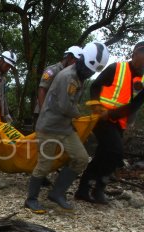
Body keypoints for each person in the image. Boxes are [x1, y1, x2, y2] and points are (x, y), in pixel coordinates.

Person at [24, 42, 109, 214]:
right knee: (44, 164)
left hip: (65, 127)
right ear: (81, 60)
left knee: (81, 158)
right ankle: (31, 199)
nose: (89, 73)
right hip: (48, 127)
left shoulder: (79, 77)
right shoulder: (67, 77)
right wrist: (84, 114)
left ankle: (57, 193)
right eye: (88, 69)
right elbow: (65, 106)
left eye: (92, 71)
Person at [75, 41, 144, 204]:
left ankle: (85, 188)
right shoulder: (116, 68)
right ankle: (98, 188)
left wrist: (112, 113)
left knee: (104, 153)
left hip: (118, 121)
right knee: (116, 152)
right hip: (101, 119)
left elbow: (135, 105)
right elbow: (95, 86)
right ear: (134, 54)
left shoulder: (142, 80)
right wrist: (96, 106)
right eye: (141, 54)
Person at [34, 46, 83, 124]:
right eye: (76, 61)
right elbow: (42, 90)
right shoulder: (52, 70)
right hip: (44, 112)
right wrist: (43, 113)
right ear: (69, 57)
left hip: (57, 115)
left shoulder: (71, 75)